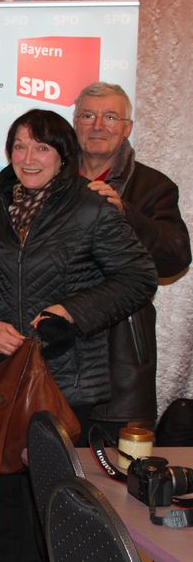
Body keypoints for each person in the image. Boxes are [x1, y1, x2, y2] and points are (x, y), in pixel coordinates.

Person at [0, 109, 158, 561]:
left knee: (57, 514)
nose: (28, 158)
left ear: (63, 155)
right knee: (1, 508)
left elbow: (139, 277)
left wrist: (70, 311)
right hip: (0, 381)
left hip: (65, 384)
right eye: (19, 146)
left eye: (41, 147)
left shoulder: (90, 207)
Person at [72, 82, 191, 438]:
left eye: (111, 117)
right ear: (75, 124)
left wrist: (125, 213)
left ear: (127, 128)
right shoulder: (50, 179)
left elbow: (176, 257)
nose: (98, 126)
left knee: (116, 468)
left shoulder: (153, 186)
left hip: (119, 360)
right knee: (48, 463)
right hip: (56, 354)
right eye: (88, 116)